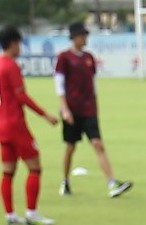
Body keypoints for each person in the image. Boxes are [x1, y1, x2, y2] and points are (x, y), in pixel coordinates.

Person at [53, 20, 132, 198]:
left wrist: (96, 108)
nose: (85, 38)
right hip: (72, 110)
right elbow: (59, 84)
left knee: (98, 144)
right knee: (70, 147)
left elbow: (93, 85)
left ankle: (112, 183)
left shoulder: (89, 58)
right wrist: (64, 109)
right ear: (74, 37)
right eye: (82, 35)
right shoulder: (64, 58)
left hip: (88, 110)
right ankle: (65, 181)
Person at [0, 24, 56, 225]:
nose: (21, 48)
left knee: (8, 171)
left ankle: (10, 214)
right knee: (35, 168)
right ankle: (32, 212)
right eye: (19, 44)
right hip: (15, 125)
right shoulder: (10, 66)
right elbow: (21, 96)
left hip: (1, 125)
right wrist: (45, 114)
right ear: (13, 43)